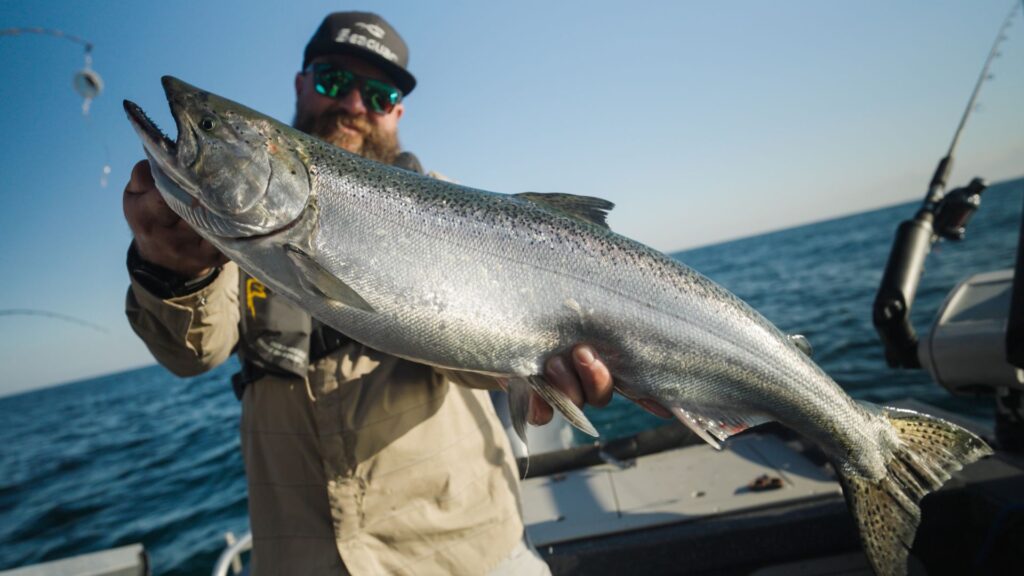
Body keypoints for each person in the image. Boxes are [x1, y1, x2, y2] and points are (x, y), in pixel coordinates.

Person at [123, 12, 615, 575]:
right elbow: (191, 354)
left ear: (397, 113)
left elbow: (483, 364)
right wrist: (171, 268)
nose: (354, 104)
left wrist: (543, 360)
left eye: (378, 94)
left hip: (464, 555)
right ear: (300, 83)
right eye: (334, 81)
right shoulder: (234, 234)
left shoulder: (456, 213)